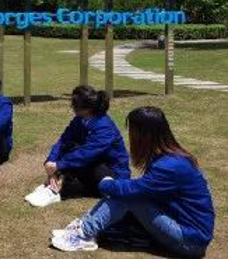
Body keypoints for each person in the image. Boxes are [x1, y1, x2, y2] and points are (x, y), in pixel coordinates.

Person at [51, 106, 215, 256]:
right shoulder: (170, 159)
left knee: (128, 196)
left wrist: (105, 183)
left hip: (190, 241)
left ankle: (84, 233)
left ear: (144, 135)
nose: (130, 136)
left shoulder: (170, 166)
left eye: (132, 131)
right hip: (181, 227)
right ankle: (84, 226)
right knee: (125, 194)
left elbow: (132, 191)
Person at [26, 85, 130, 208]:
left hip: (112, 174)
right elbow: (64, 140)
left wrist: (58, 166)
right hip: (92, 168)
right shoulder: (80, 119)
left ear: (86, 108)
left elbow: (86, 154)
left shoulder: (104, 127)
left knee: (79, 156)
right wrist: (50, 161)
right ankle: (54, 184)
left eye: (73, 105)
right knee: (69, 147)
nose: (72, 107)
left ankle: (57, 189)